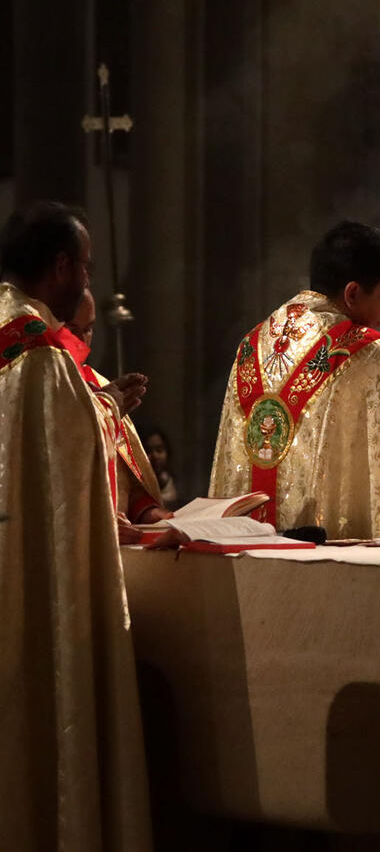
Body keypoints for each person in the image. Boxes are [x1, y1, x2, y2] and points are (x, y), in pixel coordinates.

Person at [0, 202, 151, 849]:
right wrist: (107, 409)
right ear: (61, 267)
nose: (89, 277)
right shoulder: (41, 356)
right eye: (86, 265)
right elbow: (69, 485)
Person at [209, 221, 380, 537]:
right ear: (353, 293)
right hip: (325, 552)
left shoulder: (251, 344)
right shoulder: (372, 353)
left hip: (246, 547)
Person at [59, 288, 171, 524]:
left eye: (88, 329)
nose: (81, 341)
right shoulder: (46, 390)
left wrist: (148, 512)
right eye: (71, 330)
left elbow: (126, 479)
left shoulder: (100, 384)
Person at [141, 424, 183, 510]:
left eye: (159, 450)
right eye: (148, 451)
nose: (155, 456)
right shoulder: (137, 489)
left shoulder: (175, 484)